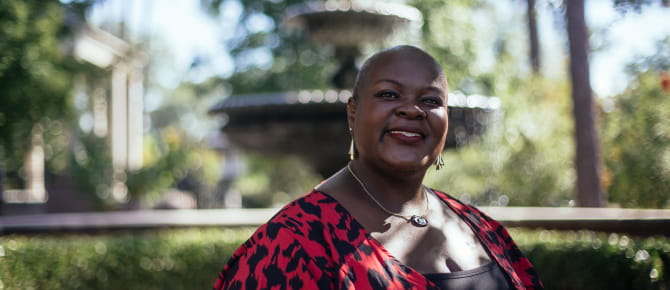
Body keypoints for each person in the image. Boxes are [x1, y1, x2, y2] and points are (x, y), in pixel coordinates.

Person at [213, 45, 543, 289]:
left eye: (430, 100)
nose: (412, 110)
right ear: (352, 113)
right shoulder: (293, 243)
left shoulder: (483, 229)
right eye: (388, 94)